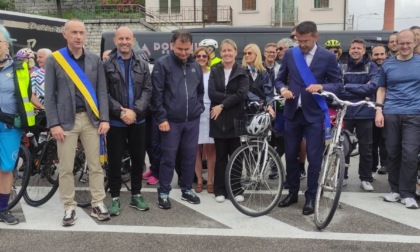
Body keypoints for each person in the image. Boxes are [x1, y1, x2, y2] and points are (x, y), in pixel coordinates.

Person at [44, 19, 110, 226]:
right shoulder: (55, 60)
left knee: (96, 165)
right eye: (74, 32)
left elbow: (101, 91)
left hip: (91, 120)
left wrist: (105, 118)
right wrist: (53, 124)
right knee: (66, 167)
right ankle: (69, 207)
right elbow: (49, 95)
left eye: (82, 32)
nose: (79, 36)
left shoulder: (94, 59)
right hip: (65, 122)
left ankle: (98, 203)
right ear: (65, 34)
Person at [276, 21, 342, 215]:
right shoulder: (290, 54)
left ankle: (311, 197)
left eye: (305, 41)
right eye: (299, 40)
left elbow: (338, 84)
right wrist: (283, 89)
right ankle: (292, 193)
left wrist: (321, 87)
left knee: (314, 158)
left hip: (314, 114)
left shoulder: (328, 57)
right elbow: (280, 78)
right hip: (292, 113)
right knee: (291, 155)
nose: (302, 45)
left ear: (316, 37)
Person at [151, 30, 204, 209]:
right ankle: (164, 192)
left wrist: (199, 108)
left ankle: (187, 189)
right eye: (180, 48)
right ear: (172, 45)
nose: (183, 52)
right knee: (169, 158)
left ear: (191, 47)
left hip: (192, 121)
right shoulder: (162, 64)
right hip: (170, 122)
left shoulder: (196, 66)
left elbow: (200, 91)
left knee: (189, 157)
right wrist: (161, 118)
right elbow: (156, 94)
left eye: (186, 49)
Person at [103, 26, 152, 216]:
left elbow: (148, 90)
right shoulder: (106, 65)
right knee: (115, 161)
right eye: (121, 39)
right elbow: (103, 92)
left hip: (138, 121)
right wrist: (120, 111)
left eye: (128, 39)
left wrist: (135, 112)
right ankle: (115, 197)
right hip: (116, 122)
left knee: (138, 160)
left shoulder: (142, 63)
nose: (124, 42)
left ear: (133, 41)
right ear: (115, 41)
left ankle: (136, 194)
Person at [375, 29, 420, 209]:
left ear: (414, 43)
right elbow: (382, 89)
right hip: (391, 112)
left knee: (409, 154)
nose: (405, 46)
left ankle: (407, 193)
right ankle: (395, 190)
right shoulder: (388, 64)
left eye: (408, 43)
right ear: (395, 43)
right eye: (401, 42)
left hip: (415, 114)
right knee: (392, 153)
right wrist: (379, 110)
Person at [0, 25, 36, 225]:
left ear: (7, 45)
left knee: (6, 168)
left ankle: (2, 209)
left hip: (9, 127)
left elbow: (27, 95)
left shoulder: (19, 68)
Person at [208, 39, 248, 203]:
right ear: (220, 53)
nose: (226, 54)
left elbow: (242, 95)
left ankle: (236, 189)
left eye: (229, 51)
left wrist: (222, 105)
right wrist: (227, 102)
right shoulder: (214, 70)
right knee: (221, 157)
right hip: (218, 120)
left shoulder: (242, 71)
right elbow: (211, 93)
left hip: (236, 119)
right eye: (224, 51)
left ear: (235, 52)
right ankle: (220, 190)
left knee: (237, 156)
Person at [339, 38, 380, 191]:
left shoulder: (372, 66)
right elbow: (339, 89)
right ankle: (342, 176)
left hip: (365, 112)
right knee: (344, 147)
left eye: (359, 48)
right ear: (349, 50)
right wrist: (363, 89)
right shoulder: (341, 66)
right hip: (346, 112)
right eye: (353, 48)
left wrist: (348, 86)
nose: (355, 50)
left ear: (364, 51)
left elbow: (374, 86)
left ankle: (365, 178)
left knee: (366, 148)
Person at [193, 46, 216, 193]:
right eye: (198, 56)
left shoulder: (212, 75)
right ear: (194, 58)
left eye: (204, 56)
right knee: (196, 149)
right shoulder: (190, 74)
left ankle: (211, 180)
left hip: (209, 112)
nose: (201, 58)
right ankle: (199, 180)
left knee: (210, 148)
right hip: (195, 114)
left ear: (208, 59)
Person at [370, 44, 388, 175]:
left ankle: (385, 164)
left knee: (385, 139)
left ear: (386, 55)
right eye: (376, 54)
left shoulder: (390, 67)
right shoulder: (369, 68)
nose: (379, 57)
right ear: (371, 56)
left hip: (387, 108)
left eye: (382, 54)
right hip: (370, 109)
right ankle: (373, 165)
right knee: (372, 140)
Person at [242, 43, 274, 115]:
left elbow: (269, 92)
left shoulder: (264, 72)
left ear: (256, 55)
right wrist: (261, 102)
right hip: (246, 111)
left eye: (249, 53)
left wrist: (270, 106)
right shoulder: (241, 72)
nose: (246, 55)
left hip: (262, 112)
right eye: (245, 53)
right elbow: (244, 92)